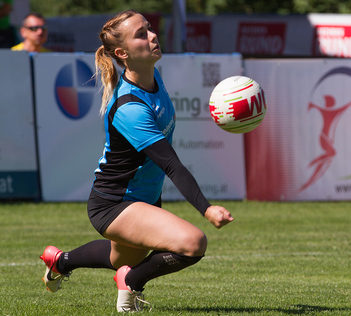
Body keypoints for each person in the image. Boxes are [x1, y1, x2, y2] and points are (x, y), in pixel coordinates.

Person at [39, 10, 234, 312]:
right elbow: (171, 164)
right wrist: (206, 209)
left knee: (119, 259)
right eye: (141, 34)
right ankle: (131, 283)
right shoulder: (130, 108)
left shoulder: (153, 75)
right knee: (193, 243)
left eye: (150, 28)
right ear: (122, 53)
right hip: (114, 204)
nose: (153, 36)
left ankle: (60, 260)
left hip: (142, 199)